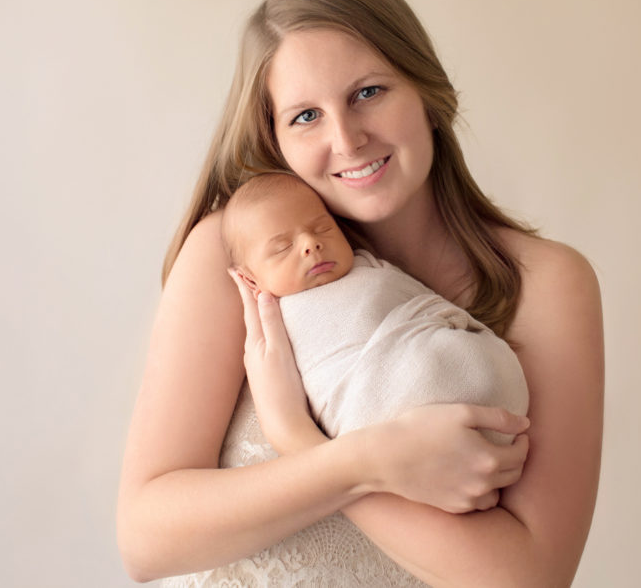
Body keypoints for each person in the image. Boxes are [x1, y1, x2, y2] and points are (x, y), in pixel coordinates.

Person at [117, 0, 604, 587]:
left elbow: (529, 579)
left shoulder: (547, 283)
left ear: (427, 91)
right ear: (274, 136)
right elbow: (145, 540)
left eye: (369, 92)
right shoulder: (234, 252)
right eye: (305, 116)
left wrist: (304, 441)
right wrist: (363, 462)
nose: (346, 139)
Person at [221, 171, 529, 445]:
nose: (310, 244)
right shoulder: (275, 322)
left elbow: (424, 306)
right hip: (376, 413)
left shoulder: (368, 267)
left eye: (322, 228)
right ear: (250, 279)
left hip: (463, 375)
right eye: (283, 247)